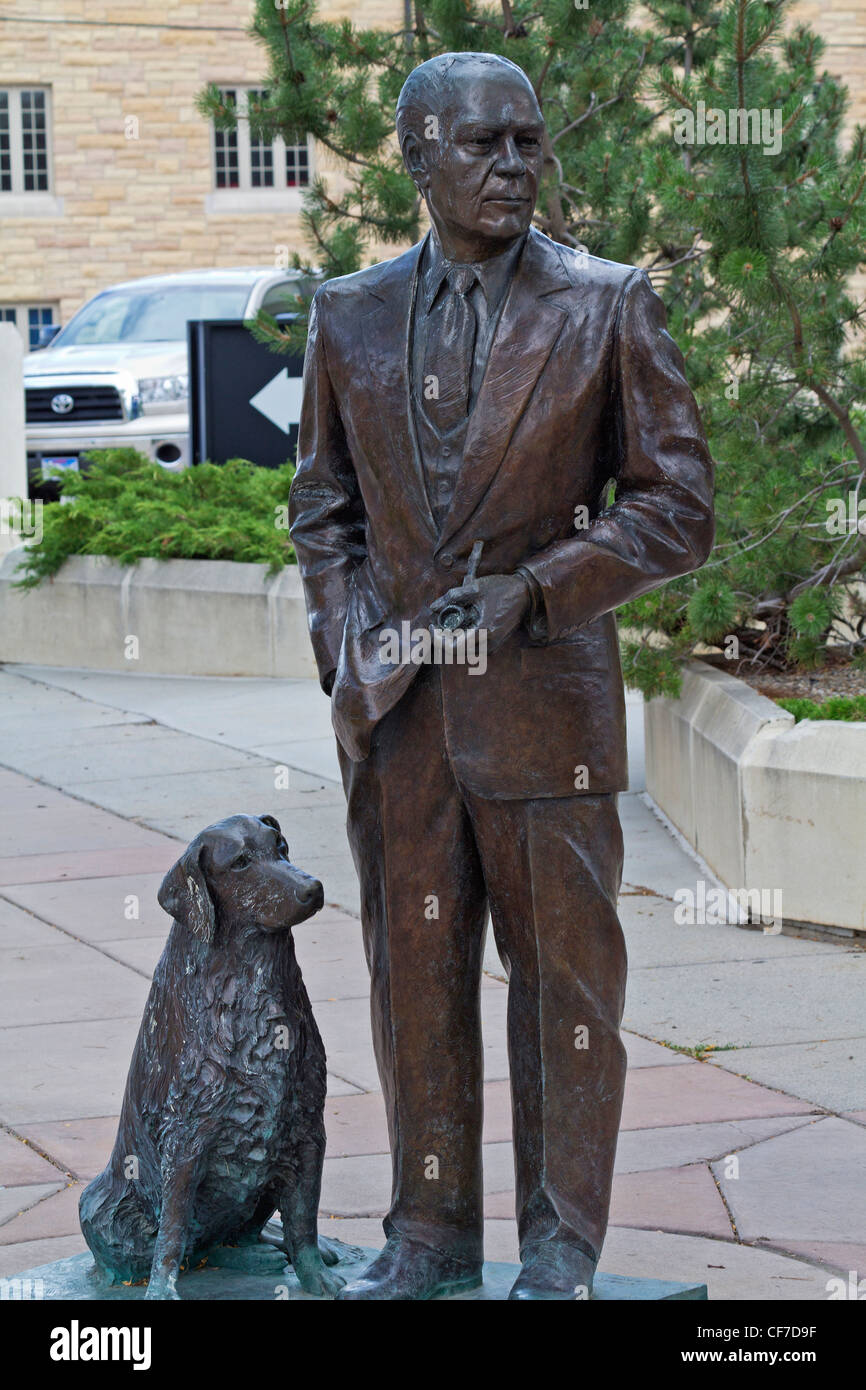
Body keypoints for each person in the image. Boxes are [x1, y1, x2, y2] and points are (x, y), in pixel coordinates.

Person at [290, 51, 715, 1300]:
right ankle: (425, 1232)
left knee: (564, 992)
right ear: (417, 158)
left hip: (545, 710)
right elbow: (320, 507)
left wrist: (539, 587)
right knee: (413, 978)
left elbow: (675, 503)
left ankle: (558, 1246)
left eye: (528, 141)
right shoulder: (348, 314)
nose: (514, 166)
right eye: (483, 145)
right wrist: (347, 652)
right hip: (401, 716)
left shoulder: (605, 304)